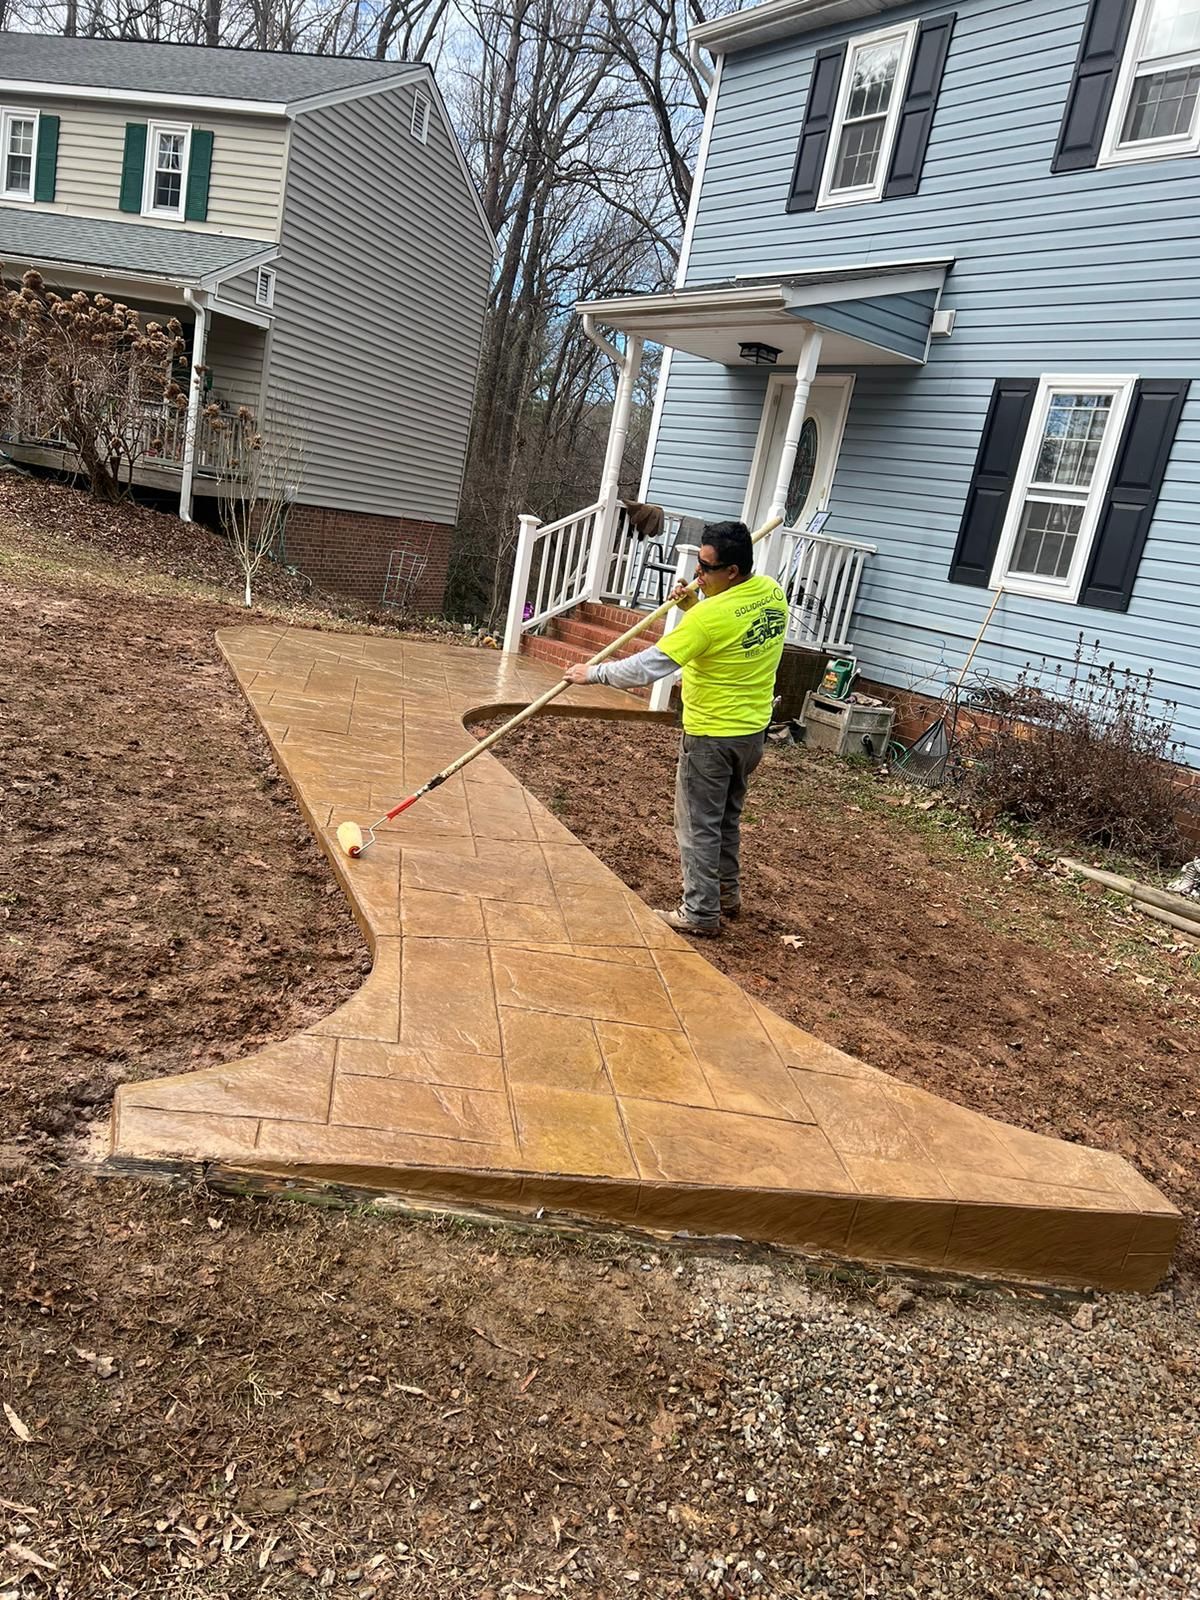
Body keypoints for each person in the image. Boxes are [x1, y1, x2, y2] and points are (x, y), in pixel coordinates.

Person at [565, 519, 788, 936]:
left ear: (733, 572)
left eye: (705, 568)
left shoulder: (707, 620)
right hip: (751, 735)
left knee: (698, 825)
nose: (697, 575)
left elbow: (649, 666)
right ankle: (725, 894)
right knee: (725, 819)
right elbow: (733, 632)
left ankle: (701, 912)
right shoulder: (772, 593)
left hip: (712, 737)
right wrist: (694, 604)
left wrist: (593, 673)